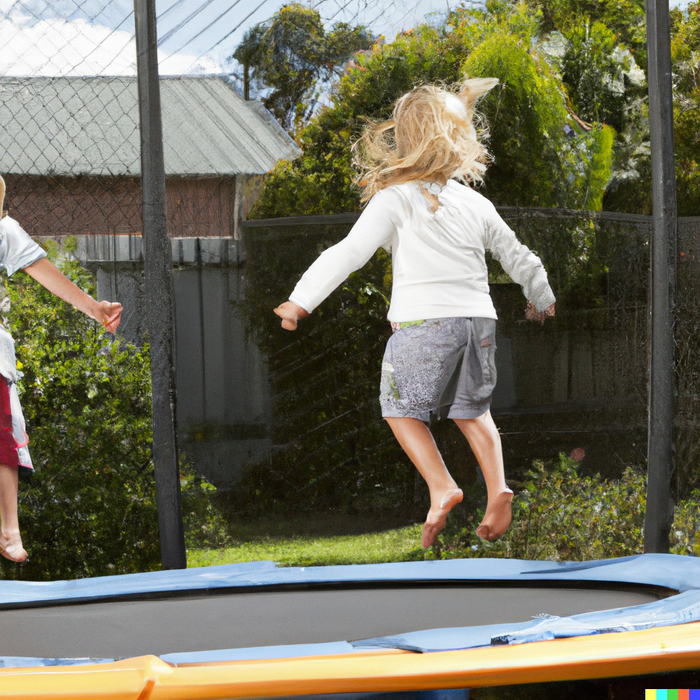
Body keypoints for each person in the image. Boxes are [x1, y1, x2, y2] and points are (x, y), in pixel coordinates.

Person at [274, 78, 555, 548]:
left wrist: (300, 300)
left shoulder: (397, 197)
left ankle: (442, 484)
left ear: (406, 140)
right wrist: (541, 296)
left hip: (425, 324)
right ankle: (498, 486)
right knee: (473, 412)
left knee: (400, 408)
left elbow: (349, 253)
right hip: (479, 323)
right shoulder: (475, 202)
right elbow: (518, 254)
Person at [0, 175, 122, 562]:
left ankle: (9, 528)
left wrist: (93, 308)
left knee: (3, 437)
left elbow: (43, 271)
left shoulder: (4, 231)